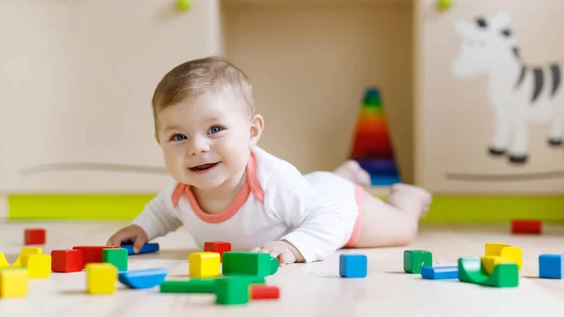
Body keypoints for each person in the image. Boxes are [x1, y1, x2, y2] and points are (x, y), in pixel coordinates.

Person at [106, 56, 431, 265]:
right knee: (307, 193)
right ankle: (343, 173)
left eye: (215, 129)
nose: (197, 147)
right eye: (178, 137)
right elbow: (163, 211)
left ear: (252, 132)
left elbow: (329, 219)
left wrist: (293, 246)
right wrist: (141, 228)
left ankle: (406, 200)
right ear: (159, 142)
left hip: (339, 207)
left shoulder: (272, 180)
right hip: (304, 194)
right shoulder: (180, 190)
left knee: (402, 230)